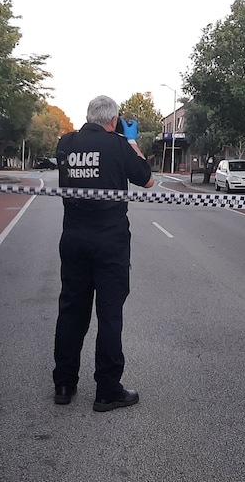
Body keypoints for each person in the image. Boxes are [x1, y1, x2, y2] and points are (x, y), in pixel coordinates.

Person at [52, 95, 155, 412]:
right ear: (114, 120)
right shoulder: (119, 145)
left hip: (74, 238)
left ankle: (64, 384)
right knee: (109, 314)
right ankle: (107, 390)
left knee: (72, 310)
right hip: (109, 242)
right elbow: (147, 180)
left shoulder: (66, 144)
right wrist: (132, 141)